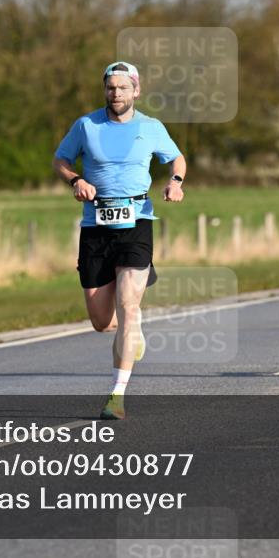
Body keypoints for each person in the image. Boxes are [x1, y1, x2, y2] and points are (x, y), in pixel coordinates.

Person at [53, 61, 186, 419]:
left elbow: (176, 158)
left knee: (129, 306)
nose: (116, 94)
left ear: (136, 90)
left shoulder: (151, 127)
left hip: (136, 222)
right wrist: (75, 180)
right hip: (96, 226)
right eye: (111, 88)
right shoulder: (86, 125)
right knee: (101, 321)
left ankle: (117, 395)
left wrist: (175, 182)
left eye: (123, 88)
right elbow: (61, 159)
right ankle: (132, 329)